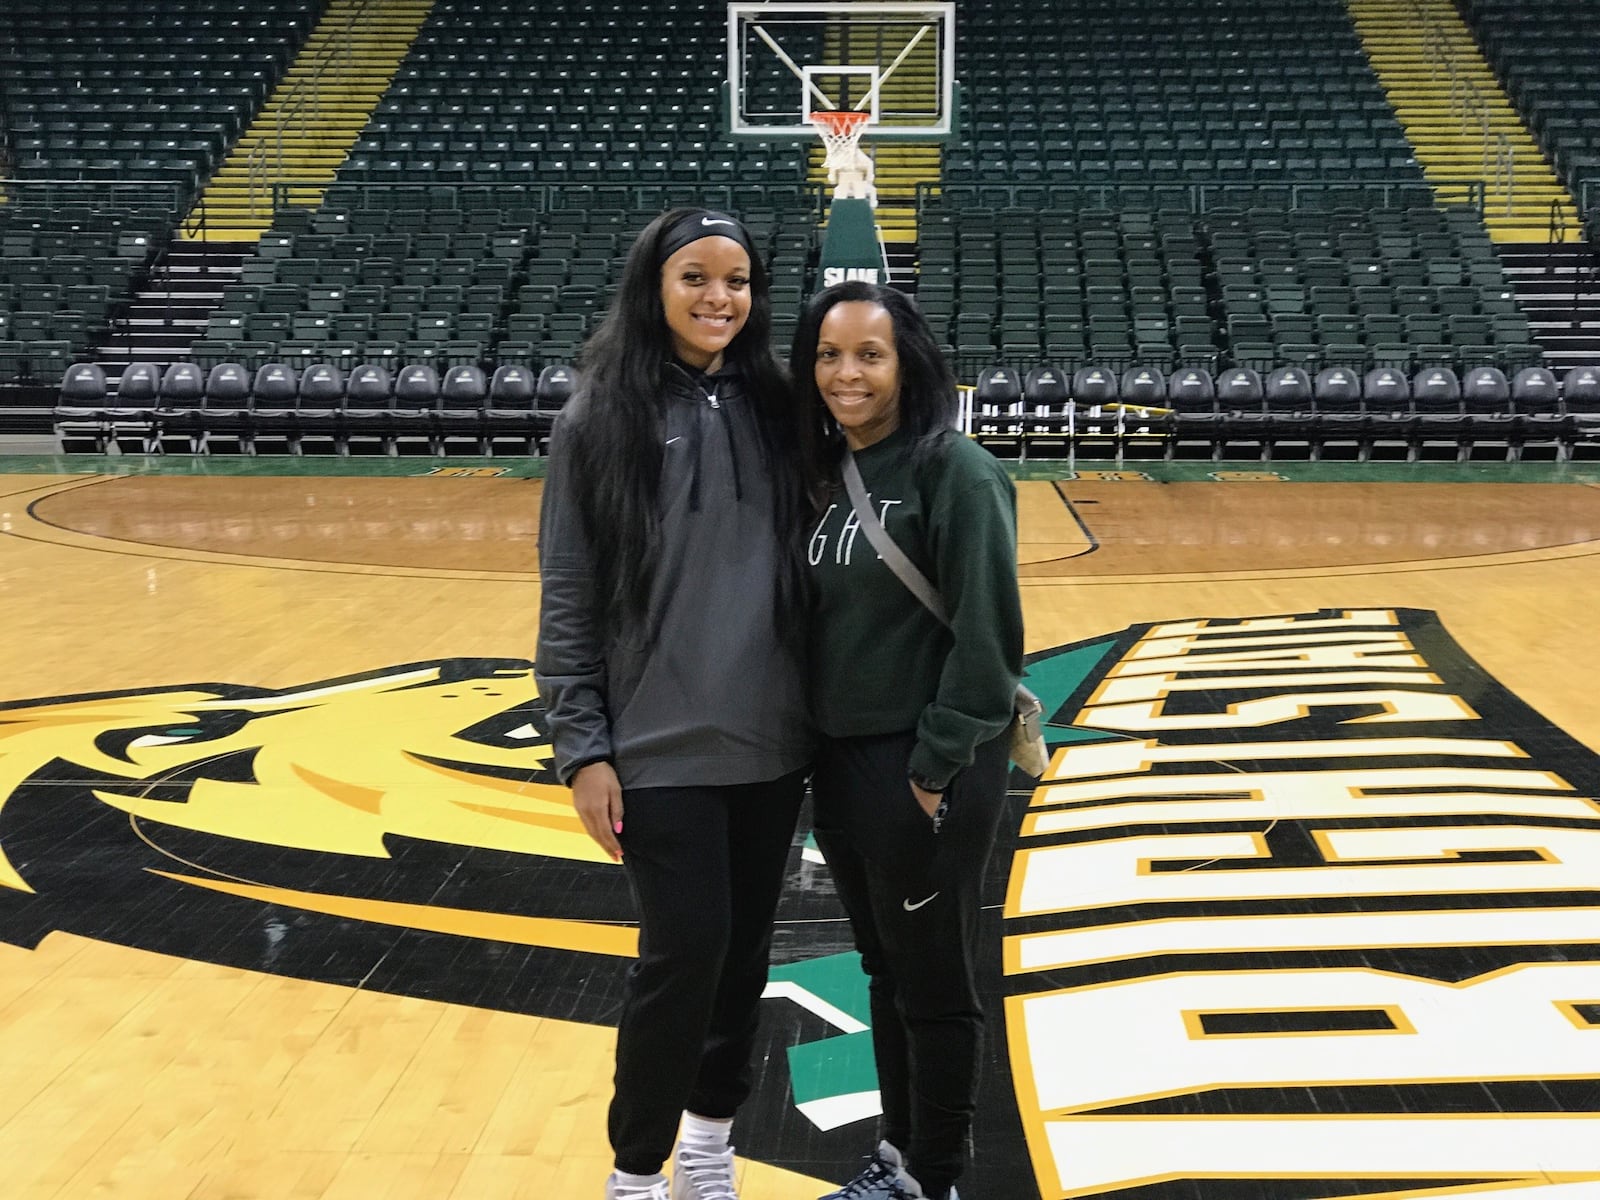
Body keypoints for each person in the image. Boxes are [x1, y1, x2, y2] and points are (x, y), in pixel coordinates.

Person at [535, 208, 814, 1200]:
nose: (717, 298)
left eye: (736, 280)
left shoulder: (784, 408)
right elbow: (566, 594)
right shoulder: (597, 415)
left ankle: (709, 1143)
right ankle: (635, 1170)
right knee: (681, 957)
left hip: (773, 742)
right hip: (654, 746)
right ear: (653, 285)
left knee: (742, 964)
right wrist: (582, 748)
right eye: (695, 276)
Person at [791, 281, 1023, 1200]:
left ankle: (938, 1173)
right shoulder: (821, 474)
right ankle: (898, 1156)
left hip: (929, 764)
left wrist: (931, 772)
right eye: (828, 355)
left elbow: (990, 638)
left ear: (906, 362)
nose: (847, 374)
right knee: (884, 969)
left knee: (934, 982)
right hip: (843, 765)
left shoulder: (954, 469)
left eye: (869, 355)